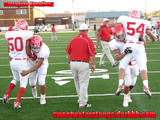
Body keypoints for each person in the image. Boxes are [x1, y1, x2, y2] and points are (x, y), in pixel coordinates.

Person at [109, 10, 156, 99]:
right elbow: (149, 32)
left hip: (129, 44)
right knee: (143, 68)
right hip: (139, 46)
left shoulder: (124, 19)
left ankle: (120, 85)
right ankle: (146, 86)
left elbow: (117, 25)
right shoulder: (144, 22)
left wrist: (111, 24)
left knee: (122, 66)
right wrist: (153, 39)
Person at [3, 19, 33, 109]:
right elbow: (28, 45)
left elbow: (8, 48)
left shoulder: (8, 34)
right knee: (23, 83)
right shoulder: (27, 33)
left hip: (12, 60)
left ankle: (7, 95)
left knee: (15, 78)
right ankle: (17, 102)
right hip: (22, 61)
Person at [66, 23, 96, 108]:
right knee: (83, 83)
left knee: (77, 82)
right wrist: (93, 64)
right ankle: (82, 103)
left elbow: (69, 52)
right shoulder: (88, 40)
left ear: (79, 31)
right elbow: (92, 54)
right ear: (87, 30)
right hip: (83, 63)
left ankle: (80, 99)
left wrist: (68, 62)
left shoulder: (73, 39)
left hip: (73, 63)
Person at [109, 25, 139, 107]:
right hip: (125, 64)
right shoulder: (114, 43)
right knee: (128, 82)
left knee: (133, 82)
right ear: (115, 36)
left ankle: (127, 93)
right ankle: (125, 99)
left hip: (134, 62)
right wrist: (125, 52)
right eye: (118, 35)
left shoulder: (130, 37)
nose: (121, 37)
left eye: (122, 34)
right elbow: (117, 58)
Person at [21, 35, 50, 105]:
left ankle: (43, 97)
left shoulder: (44, 50)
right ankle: (34, 89)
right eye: (34, 47)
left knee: (41, 82)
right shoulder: (28, 43)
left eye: (38, 47)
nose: (36, 49)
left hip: (42, 64)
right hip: (31, 62)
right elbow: (28, 54)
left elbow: (38, 65)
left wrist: (27, 72)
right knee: (32, 84)